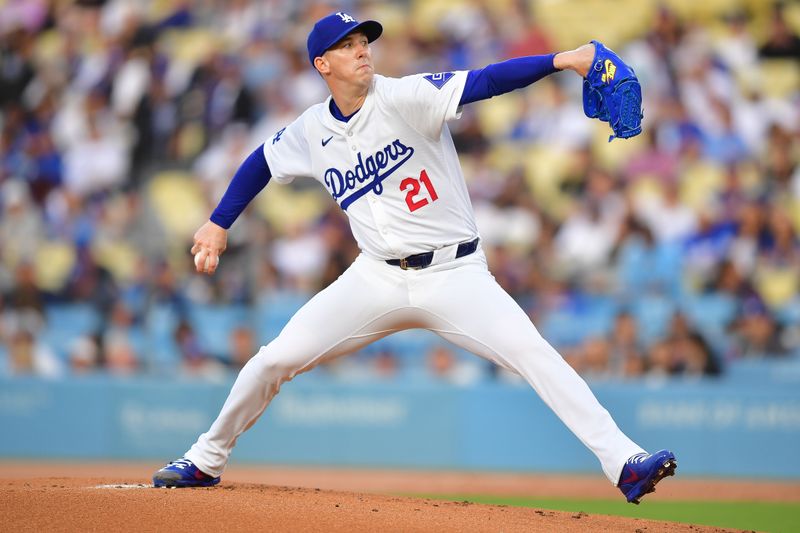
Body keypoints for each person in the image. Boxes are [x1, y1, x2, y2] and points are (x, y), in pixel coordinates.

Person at [153, 12, 676, 504]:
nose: (362, 51)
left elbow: (486, 80)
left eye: (364, 42)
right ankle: (205, 458)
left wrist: (566, 59)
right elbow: (260, 162)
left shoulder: (403, 96)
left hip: (454, 274)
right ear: (322, 65)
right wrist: (219, 222)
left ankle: (624, 461)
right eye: (347, 46)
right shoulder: (312, 130)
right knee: (273, 359)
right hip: (376, 277)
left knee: (533, 354)